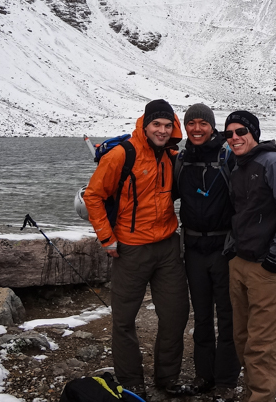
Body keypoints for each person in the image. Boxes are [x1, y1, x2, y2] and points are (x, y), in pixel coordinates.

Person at [83, 99, 189, 398]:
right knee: (124, 318)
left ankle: (167, 378)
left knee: (175, 314)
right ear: (145, 125)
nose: (163, 130)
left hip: (168, 246)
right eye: (157, 124)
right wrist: (107, 238)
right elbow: (93, 196)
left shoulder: (171, 156)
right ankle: (131, 380)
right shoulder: (121, 155)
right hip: (130, 250)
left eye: (168, 125)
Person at [223, 110, 276, 402]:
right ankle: (254, 391)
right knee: (242, 338)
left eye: (240, 132)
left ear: (254, 133)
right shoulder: (237, 166)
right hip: (240, 262)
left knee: (263, 342)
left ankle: (261, 396)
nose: (234, 138)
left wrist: (275, 258)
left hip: (265, 267)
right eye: (229, 134)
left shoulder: (275, 163)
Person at [175, 104, 240, 402]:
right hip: (194, 250)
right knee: (201, 317)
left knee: (227, 316)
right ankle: (205, 376)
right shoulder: (183, 158)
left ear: (212, 127)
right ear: (185, 127)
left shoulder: (228, 156)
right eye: (191, 123)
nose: (197, 129)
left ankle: (226, 379)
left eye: (203, 123)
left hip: (223, 248)